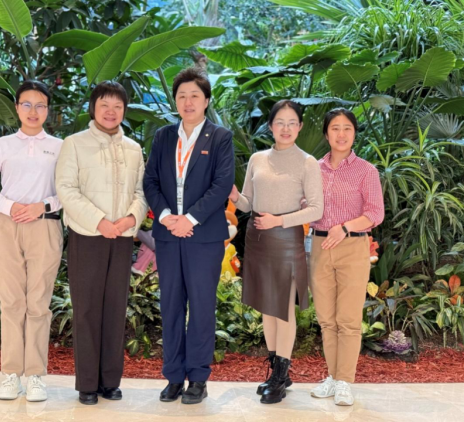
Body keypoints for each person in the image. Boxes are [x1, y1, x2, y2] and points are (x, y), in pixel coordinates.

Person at [143, 67, 234, 405]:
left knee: (201, 306)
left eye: (195, 95)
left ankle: (197, 378)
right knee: (170, 305)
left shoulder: (220, 137)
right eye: (182, 95)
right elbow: (150, 181)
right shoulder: (164, 136)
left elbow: (222, 184)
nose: (188, 101)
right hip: (169, 235)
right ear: (176, 101)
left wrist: (190, 219)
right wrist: (166, 217)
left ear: (206, 100)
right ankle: (172, 377)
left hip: (203, 236)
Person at [55, 81, 148, 405]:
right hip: (88, 236)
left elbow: (141, 192)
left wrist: (130, 219)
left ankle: (110, 381)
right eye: (104, 105)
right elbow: (66, 189)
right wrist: (99, 221)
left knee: (115, 308)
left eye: (117, 106)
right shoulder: (74, 144)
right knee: (86, 310)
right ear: (93, 108)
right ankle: (87, 384)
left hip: (121, 238)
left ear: (124, 110)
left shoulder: (133, 149)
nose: (111, 112)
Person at [0, 80, 63, 402]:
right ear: (17, 108)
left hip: (44, 228)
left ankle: (35, 375)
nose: (33, 111)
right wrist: (9, 206)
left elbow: (70, 189)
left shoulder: (60, 147)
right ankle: (11, 374)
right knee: (11, 301)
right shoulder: (3, 145)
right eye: (27, 104)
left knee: (38, 302)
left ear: (48, 110)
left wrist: (44, 205)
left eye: (40, 105)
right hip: (7, 226)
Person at [229, 100, 324, 404]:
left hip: (286, 239)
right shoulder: (257, 159)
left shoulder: (307, 162)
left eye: (292, 122)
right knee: (266, 307)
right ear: (270, 126)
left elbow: (316, 209)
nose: (286, 128)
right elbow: (248, 203)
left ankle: (281, 376)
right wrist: (234, 195)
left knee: (282, 309)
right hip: (257, 238)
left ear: (300, 127)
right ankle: (275, 370)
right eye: (280, 122)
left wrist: (279, 221)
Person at [309, 108, 384, 406]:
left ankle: (344, 382)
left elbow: (375, 213)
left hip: (352, 246)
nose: (341, 134)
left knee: (349, 319)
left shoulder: (366, 171)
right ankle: (332, 376)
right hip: (319, 246)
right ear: (326, 133)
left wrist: (344, 227)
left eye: (347, 128)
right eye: (335, 128)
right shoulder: (313, 169)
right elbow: (305, 205)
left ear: (354, 133)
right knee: (327, 319)